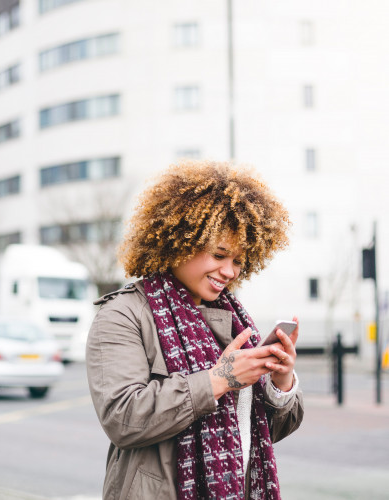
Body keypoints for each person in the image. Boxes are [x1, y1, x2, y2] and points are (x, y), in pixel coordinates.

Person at [86, 160, 304, 500]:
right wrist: (219, 380)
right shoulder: (122, 315)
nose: (230, 271)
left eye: (238, 261)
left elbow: (258, 430)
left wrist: (280, 381)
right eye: (219, 254)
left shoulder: (233, 318)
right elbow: (122, 418)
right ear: (180, 240)